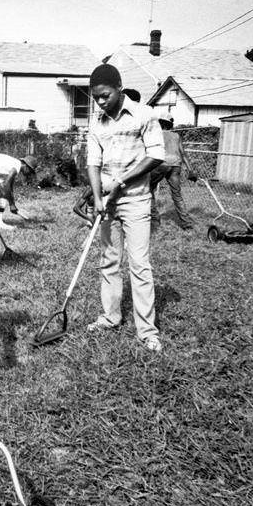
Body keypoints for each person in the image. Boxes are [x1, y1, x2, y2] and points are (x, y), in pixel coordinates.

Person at [85, 63, 165, 352]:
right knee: (109, 260)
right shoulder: (96, 121)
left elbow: (157, 155)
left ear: (119, 88)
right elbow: (93, 162)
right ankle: (110, 317)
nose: (100, 102)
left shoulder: (144, 115)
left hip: (136, 199)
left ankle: (147, 332)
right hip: (107, 201)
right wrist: (97, 197)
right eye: (96, 97)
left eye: (105, 95)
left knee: (139, 265)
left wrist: (120, 180)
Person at [148, 111, 194, 231]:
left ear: (160, 123)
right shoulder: (176, 136)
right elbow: (183, 153)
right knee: (177, 195)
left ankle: (155, 221)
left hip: (161, 164)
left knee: (148, 189)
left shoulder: (155, 134)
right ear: (170, 124)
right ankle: (187, 224)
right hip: (176, 165)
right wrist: (190, 169)